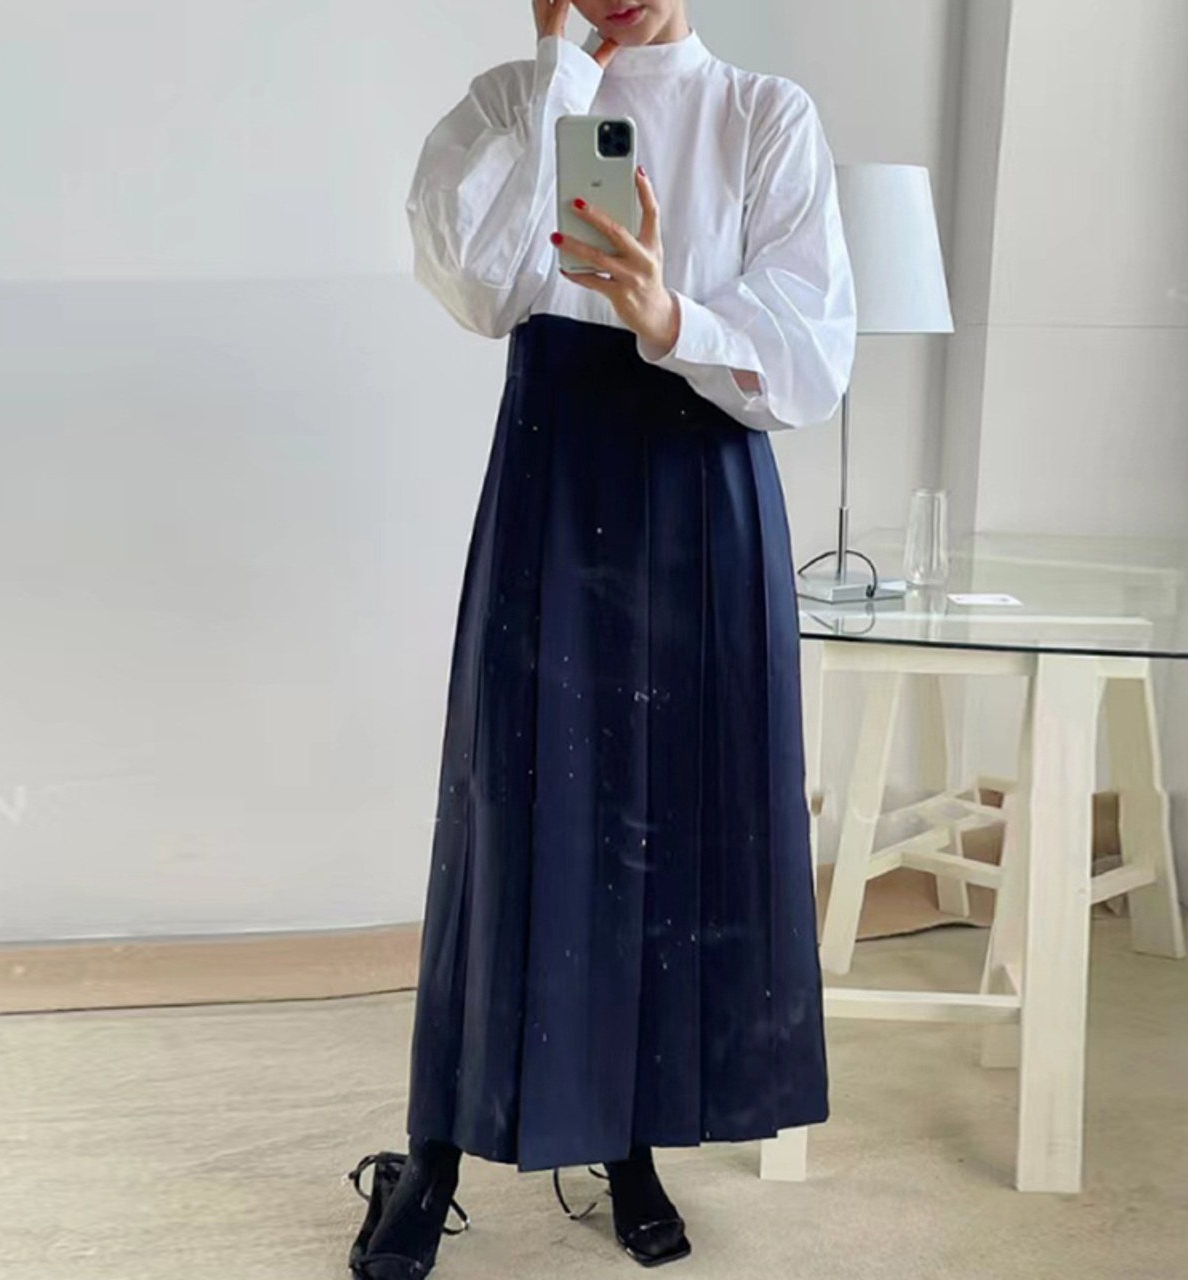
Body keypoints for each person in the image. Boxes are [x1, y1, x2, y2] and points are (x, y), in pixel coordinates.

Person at [353, 1, 856, 1275]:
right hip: (556, 464)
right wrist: (558, 78)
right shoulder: (510, 101)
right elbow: (479, 286)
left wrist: (668, 313)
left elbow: (812, 357)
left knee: (675, 816)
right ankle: (434, 1150)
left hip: (703, 480)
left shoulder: (761, 114)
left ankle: (628, 1140)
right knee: (507, 808)